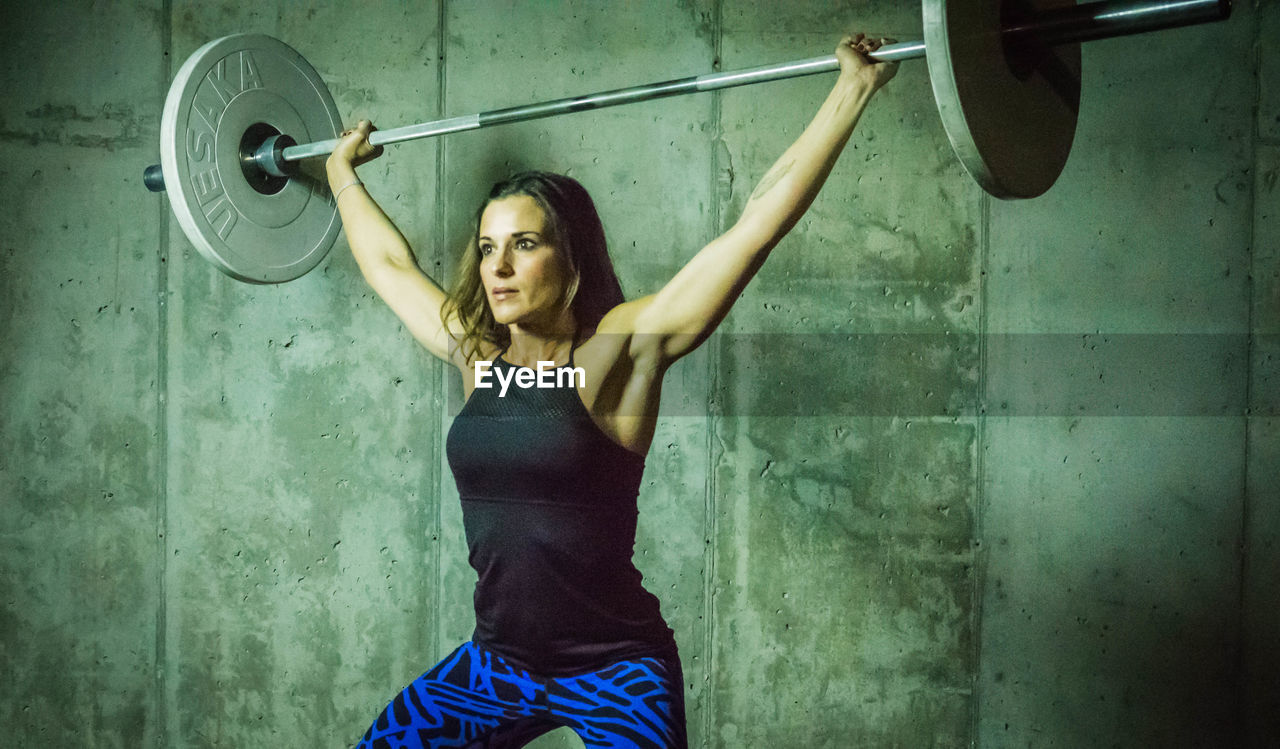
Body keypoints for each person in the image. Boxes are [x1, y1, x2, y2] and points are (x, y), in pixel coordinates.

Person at [327, 33, 897, 749]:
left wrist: (852, 89)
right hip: (496, 663)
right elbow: (387, 265)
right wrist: (340, 172)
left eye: (524, 244)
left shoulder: (617, 350)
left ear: (570, 256)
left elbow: (753, 228)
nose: (498, 266)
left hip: (615, 667)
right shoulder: (478, 355)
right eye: (486, 246)